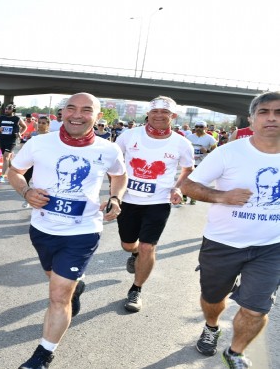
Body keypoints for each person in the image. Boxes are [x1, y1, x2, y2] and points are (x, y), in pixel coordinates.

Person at [8, 92, 126, 369]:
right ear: (61, 113)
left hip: (83, 232)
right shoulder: (39, 143)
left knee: (58, 296)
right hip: (42, 229)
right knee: (55, 279)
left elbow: (119, 175)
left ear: (98, 117)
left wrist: (116, 197)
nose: (77, 114)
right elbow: (14, 171)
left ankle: (43, 354)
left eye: (86, 110)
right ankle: (77, 286)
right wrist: (25, 191)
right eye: (71, 108)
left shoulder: (108, 149)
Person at [181, 91, 280, 369]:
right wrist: (222, 197)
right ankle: (211, 326)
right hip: (222, 243)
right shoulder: (230, 152)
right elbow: (188, 186)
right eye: (264, 112)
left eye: (279, 113)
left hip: (271, 247)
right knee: (213, 298)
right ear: (252, 118)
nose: (272, 118)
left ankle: (235, 352)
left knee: (256, 308)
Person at [114, 96, 194, 313]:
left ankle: (136, 289)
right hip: (128, 200)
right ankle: (135, 253)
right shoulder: (129, 136)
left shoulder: (181, 143)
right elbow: (113, 162)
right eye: (155, 111)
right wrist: (114, 193)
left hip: (158, 202)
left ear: (173, 116)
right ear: (148, 113)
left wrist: (178, 188)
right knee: (128, 244)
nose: (159, 115)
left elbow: (187, 170)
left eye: (165, 112)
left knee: (149, 246)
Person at [185, 121, 217, 205]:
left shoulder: (210, 138)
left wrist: (207, 150)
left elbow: (215, 150)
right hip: (189, 161)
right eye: (197, 126)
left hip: (201, 162)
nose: (198, 128)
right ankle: (184, 198)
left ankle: (193, 198)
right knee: (186, 180)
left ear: (206, 128)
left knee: (195, 182)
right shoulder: (189, 137)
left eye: (201, 127)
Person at [0, 104, 26, 183]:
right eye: (6, 109)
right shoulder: (1, 118)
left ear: (13, 110)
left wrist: (20, 133)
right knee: (7, 159)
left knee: (5, 157)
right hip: (2, 140)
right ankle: (15, 172)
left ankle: (2, 176)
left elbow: (24, 127)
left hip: (11, 140)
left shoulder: (17, 118)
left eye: (8, 109)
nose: (6, 110)